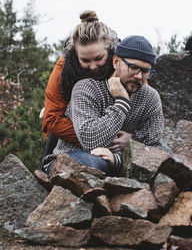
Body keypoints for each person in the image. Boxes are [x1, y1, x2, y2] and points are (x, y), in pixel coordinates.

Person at [44, 35, 164, 176]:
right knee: (94, 163)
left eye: (145, 71)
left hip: (113, 161)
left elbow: (155, 148)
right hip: (72, 155)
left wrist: (118, 158)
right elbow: (91, 141)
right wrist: (122, 102)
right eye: (133, 68)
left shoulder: (151, 97)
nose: (139, 76)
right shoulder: (86, 88)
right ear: (116, 62)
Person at [41, 10, 131, 171]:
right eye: (85, 60)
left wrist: (131, 138)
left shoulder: (126, 63)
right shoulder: (63, 69)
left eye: (98, 58)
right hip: (68, 136)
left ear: (110, 50)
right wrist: (97, 136)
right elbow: (52, 119)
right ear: (75, 54)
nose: (93, 66)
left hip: (116, 130)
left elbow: (143, 102)